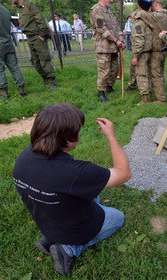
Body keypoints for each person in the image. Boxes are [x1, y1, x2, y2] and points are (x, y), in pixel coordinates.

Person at [13, 103, 131, 276]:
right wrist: (111, 136)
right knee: (118, 218)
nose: (80, 133)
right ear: (68, 140)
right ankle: (68, 249)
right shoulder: (77, 173)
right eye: (78, 130)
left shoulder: (24, 156)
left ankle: (50, 238)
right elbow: (124, 173)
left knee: (92, 195)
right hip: (74, 228)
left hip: (46, 220)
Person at [11, 0, 57, 90]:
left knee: (44, 58)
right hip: (30, 37)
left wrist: (42, 35)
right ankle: (45, 79)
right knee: (35, 61)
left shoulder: (29, 5)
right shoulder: (21, 9)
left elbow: (40, 19)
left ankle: (52, 82)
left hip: (37, 36)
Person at [90, 0, 125, 102]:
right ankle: (101, 92)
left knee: (114, 68)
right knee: (104, 71)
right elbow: (101, 30)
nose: (112, 0)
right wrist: (116, 40)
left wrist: (120, 36)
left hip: (113, 47)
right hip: (103, 47)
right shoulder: (96, 10)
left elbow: (116, 26)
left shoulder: (109, 10)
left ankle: (109, 87)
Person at [131, 0, 154, 105]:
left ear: (139, 6)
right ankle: (149, 91)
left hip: (142, 52)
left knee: (141, 74)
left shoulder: (139, 22)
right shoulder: (150, 19)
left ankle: (145, 99)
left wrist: (135, 56)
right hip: (149, 51)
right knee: (147, 73)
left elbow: (139, 40)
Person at [150, 0, 167, 104]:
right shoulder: (166, 15)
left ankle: (160, 99)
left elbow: (142, 15)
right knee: (160, 73)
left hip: (157, 49)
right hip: (162, 49)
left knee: (156, 74)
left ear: (155, 3)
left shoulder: (158, 16)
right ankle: (159, 93)